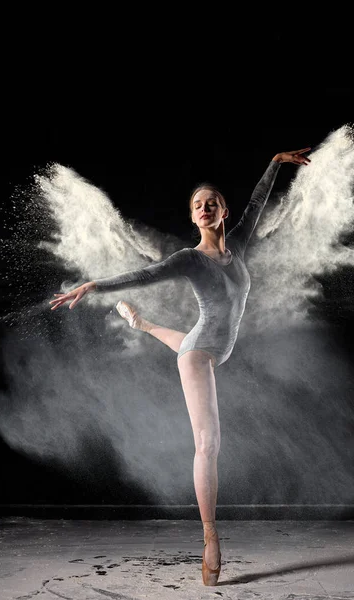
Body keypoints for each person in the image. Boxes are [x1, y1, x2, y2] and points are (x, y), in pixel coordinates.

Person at [49, 147, 311, 586]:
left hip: (208, 343)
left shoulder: (239, 243)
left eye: (212, 203)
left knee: (184, 339)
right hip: (201, 354)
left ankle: (140, 322)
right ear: (193, 218)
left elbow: (257, 203)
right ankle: (210, 536)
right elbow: (144, 276)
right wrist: (94, 285)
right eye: (197, 205)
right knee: (209, 444)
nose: (205, 208)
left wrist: (274, 162)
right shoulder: (188, 260)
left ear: (222, 211)